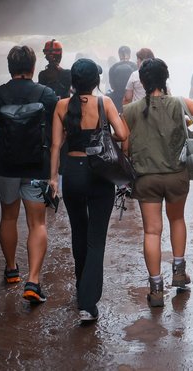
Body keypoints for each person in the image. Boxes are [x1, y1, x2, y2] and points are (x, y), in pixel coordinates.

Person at [121, 57, 193, 307]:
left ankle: (156, 289)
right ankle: (179, 272)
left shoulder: (130, 110)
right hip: (176, 176)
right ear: (165, 79)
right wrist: (188, 117)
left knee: (151, 231)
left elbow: (124, 145)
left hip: (146, 179)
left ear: (142, 81)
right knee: (177, 219)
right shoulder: (179, 104)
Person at [0, 45, 59, 304]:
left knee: (8, 217)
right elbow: (58, 133)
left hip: (7, 167)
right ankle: (33, 281)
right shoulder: (46, 94)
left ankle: (11, 270)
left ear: (10, 68)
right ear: (33, 67)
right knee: (37, 223)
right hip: (37, 168)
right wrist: (55, 172)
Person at [49, 59, 129, 322]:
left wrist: (53, 179)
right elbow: (122, 134)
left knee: (79, 233)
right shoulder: (105, 103)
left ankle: (81, 287)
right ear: (96, 81)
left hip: (72, 173)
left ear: (73, 80)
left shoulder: (62, 105)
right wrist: (105, 134)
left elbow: (55, 145)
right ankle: (87, 302)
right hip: (99, 173)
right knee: (96, 239)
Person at [108, 45, 137, 112]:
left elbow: (112, 86)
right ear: (129, 55)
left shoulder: (113, 67)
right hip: (133, 99)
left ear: (119, 55)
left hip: (117, 98)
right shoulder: (135, 67)